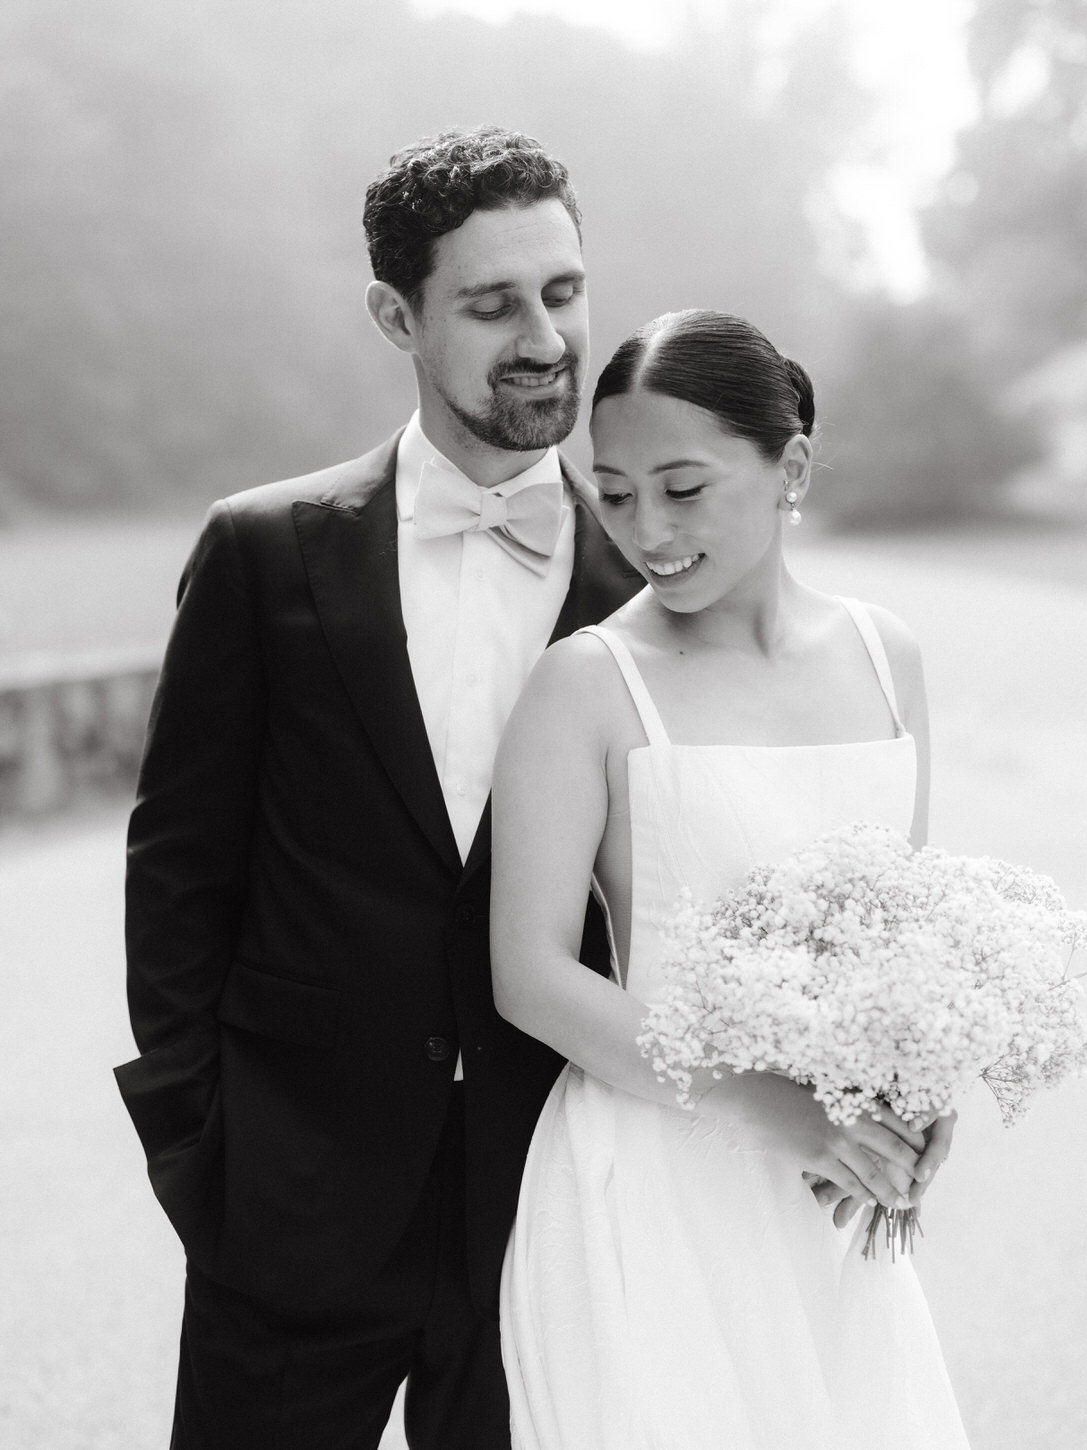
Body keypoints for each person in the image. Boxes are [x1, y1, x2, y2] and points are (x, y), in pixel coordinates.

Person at [114, 126, 638, 1450]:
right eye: (491, 303)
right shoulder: (264, 551)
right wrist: (203, 1152)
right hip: (289, 1208)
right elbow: (179, 869)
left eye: (563, 292)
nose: (543, 336)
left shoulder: (645, 587)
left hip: (549, 1216)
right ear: (395, 314)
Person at [491, 308, 969, 1448]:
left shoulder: (883, 653)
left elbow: (902, 928)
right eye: (613, 491)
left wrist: (919, 1079)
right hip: (655, 1175)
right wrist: (764, 1107)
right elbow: (528, 973)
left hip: (832, 1198)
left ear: (789, 464)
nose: (645, 527)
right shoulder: (587, 683)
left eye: (682, 485)